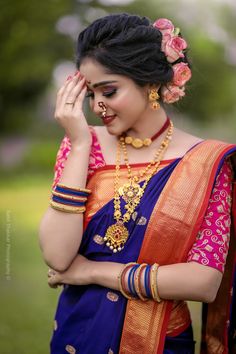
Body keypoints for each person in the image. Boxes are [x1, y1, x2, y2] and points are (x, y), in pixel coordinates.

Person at [39, 13, 236, 354]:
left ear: (149, 83)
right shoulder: (82, 146)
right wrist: (81, 144)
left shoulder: (207, 162)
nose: (97, 105)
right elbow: (57, 256)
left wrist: (92, 272)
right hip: (78, 330)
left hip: (160, 339)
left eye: (109, 90)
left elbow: (204, 281)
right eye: (90, 94)